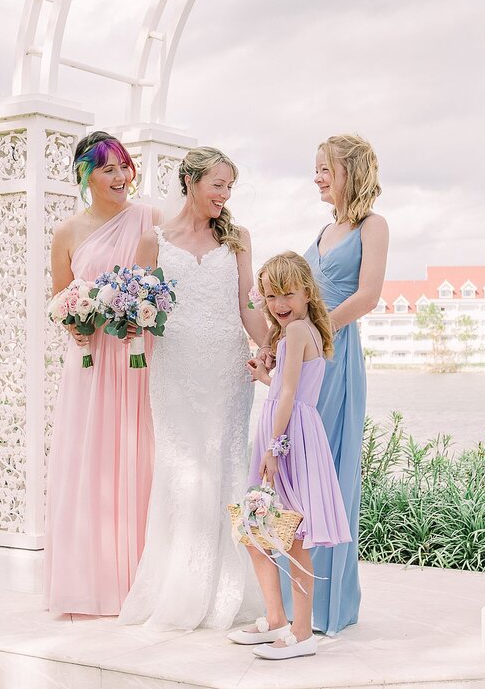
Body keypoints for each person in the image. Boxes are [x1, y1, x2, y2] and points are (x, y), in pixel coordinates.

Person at [118, 147, 270, 631]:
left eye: (230, 187)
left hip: (227, 370)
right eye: (217, 185)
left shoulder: (239, 239)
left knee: (227, 467)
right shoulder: (153, 241)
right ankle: (178, 588)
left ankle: (231, 588)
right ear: (189, 180)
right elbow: (136, 312)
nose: (224, 196)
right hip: (176, 370)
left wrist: (274, 348)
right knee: (181, 471)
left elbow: (248, 308)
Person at [45, 131, 158, 616]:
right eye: (108, 169)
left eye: (125, 167)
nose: (121, 177)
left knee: (142, 455)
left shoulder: (149, 218)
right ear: (85, 175)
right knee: (91, 459)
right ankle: (92, 581)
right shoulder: (67, 233)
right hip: (91, 364)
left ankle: (143, 580)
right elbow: (60, 297)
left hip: (138, 355)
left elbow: (163, 285)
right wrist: (73, 322)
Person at [227, 252, 350, 660]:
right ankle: (277, 619)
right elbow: (285, 388)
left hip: (289, 438)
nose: (279, 304)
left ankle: (301, 631)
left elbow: (291, 397)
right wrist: (266, 376)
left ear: (306, 292)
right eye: (271, 296)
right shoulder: (299, 331)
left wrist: (272, 448)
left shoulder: (297, 330)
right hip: (288, 431)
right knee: (258, 527)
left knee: (292, 535)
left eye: (288, 294)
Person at [290, 133, 389, 634]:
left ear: (350, 170)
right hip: (304, 354)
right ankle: (297, 603)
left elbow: (369, 295)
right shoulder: (323, 229)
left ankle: (331, 606)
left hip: (336, 354)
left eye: (325, 168)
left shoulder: (374, 226)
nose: (317, 178)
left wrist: (318, 330)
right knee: (297, 467)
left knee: (331, 471)